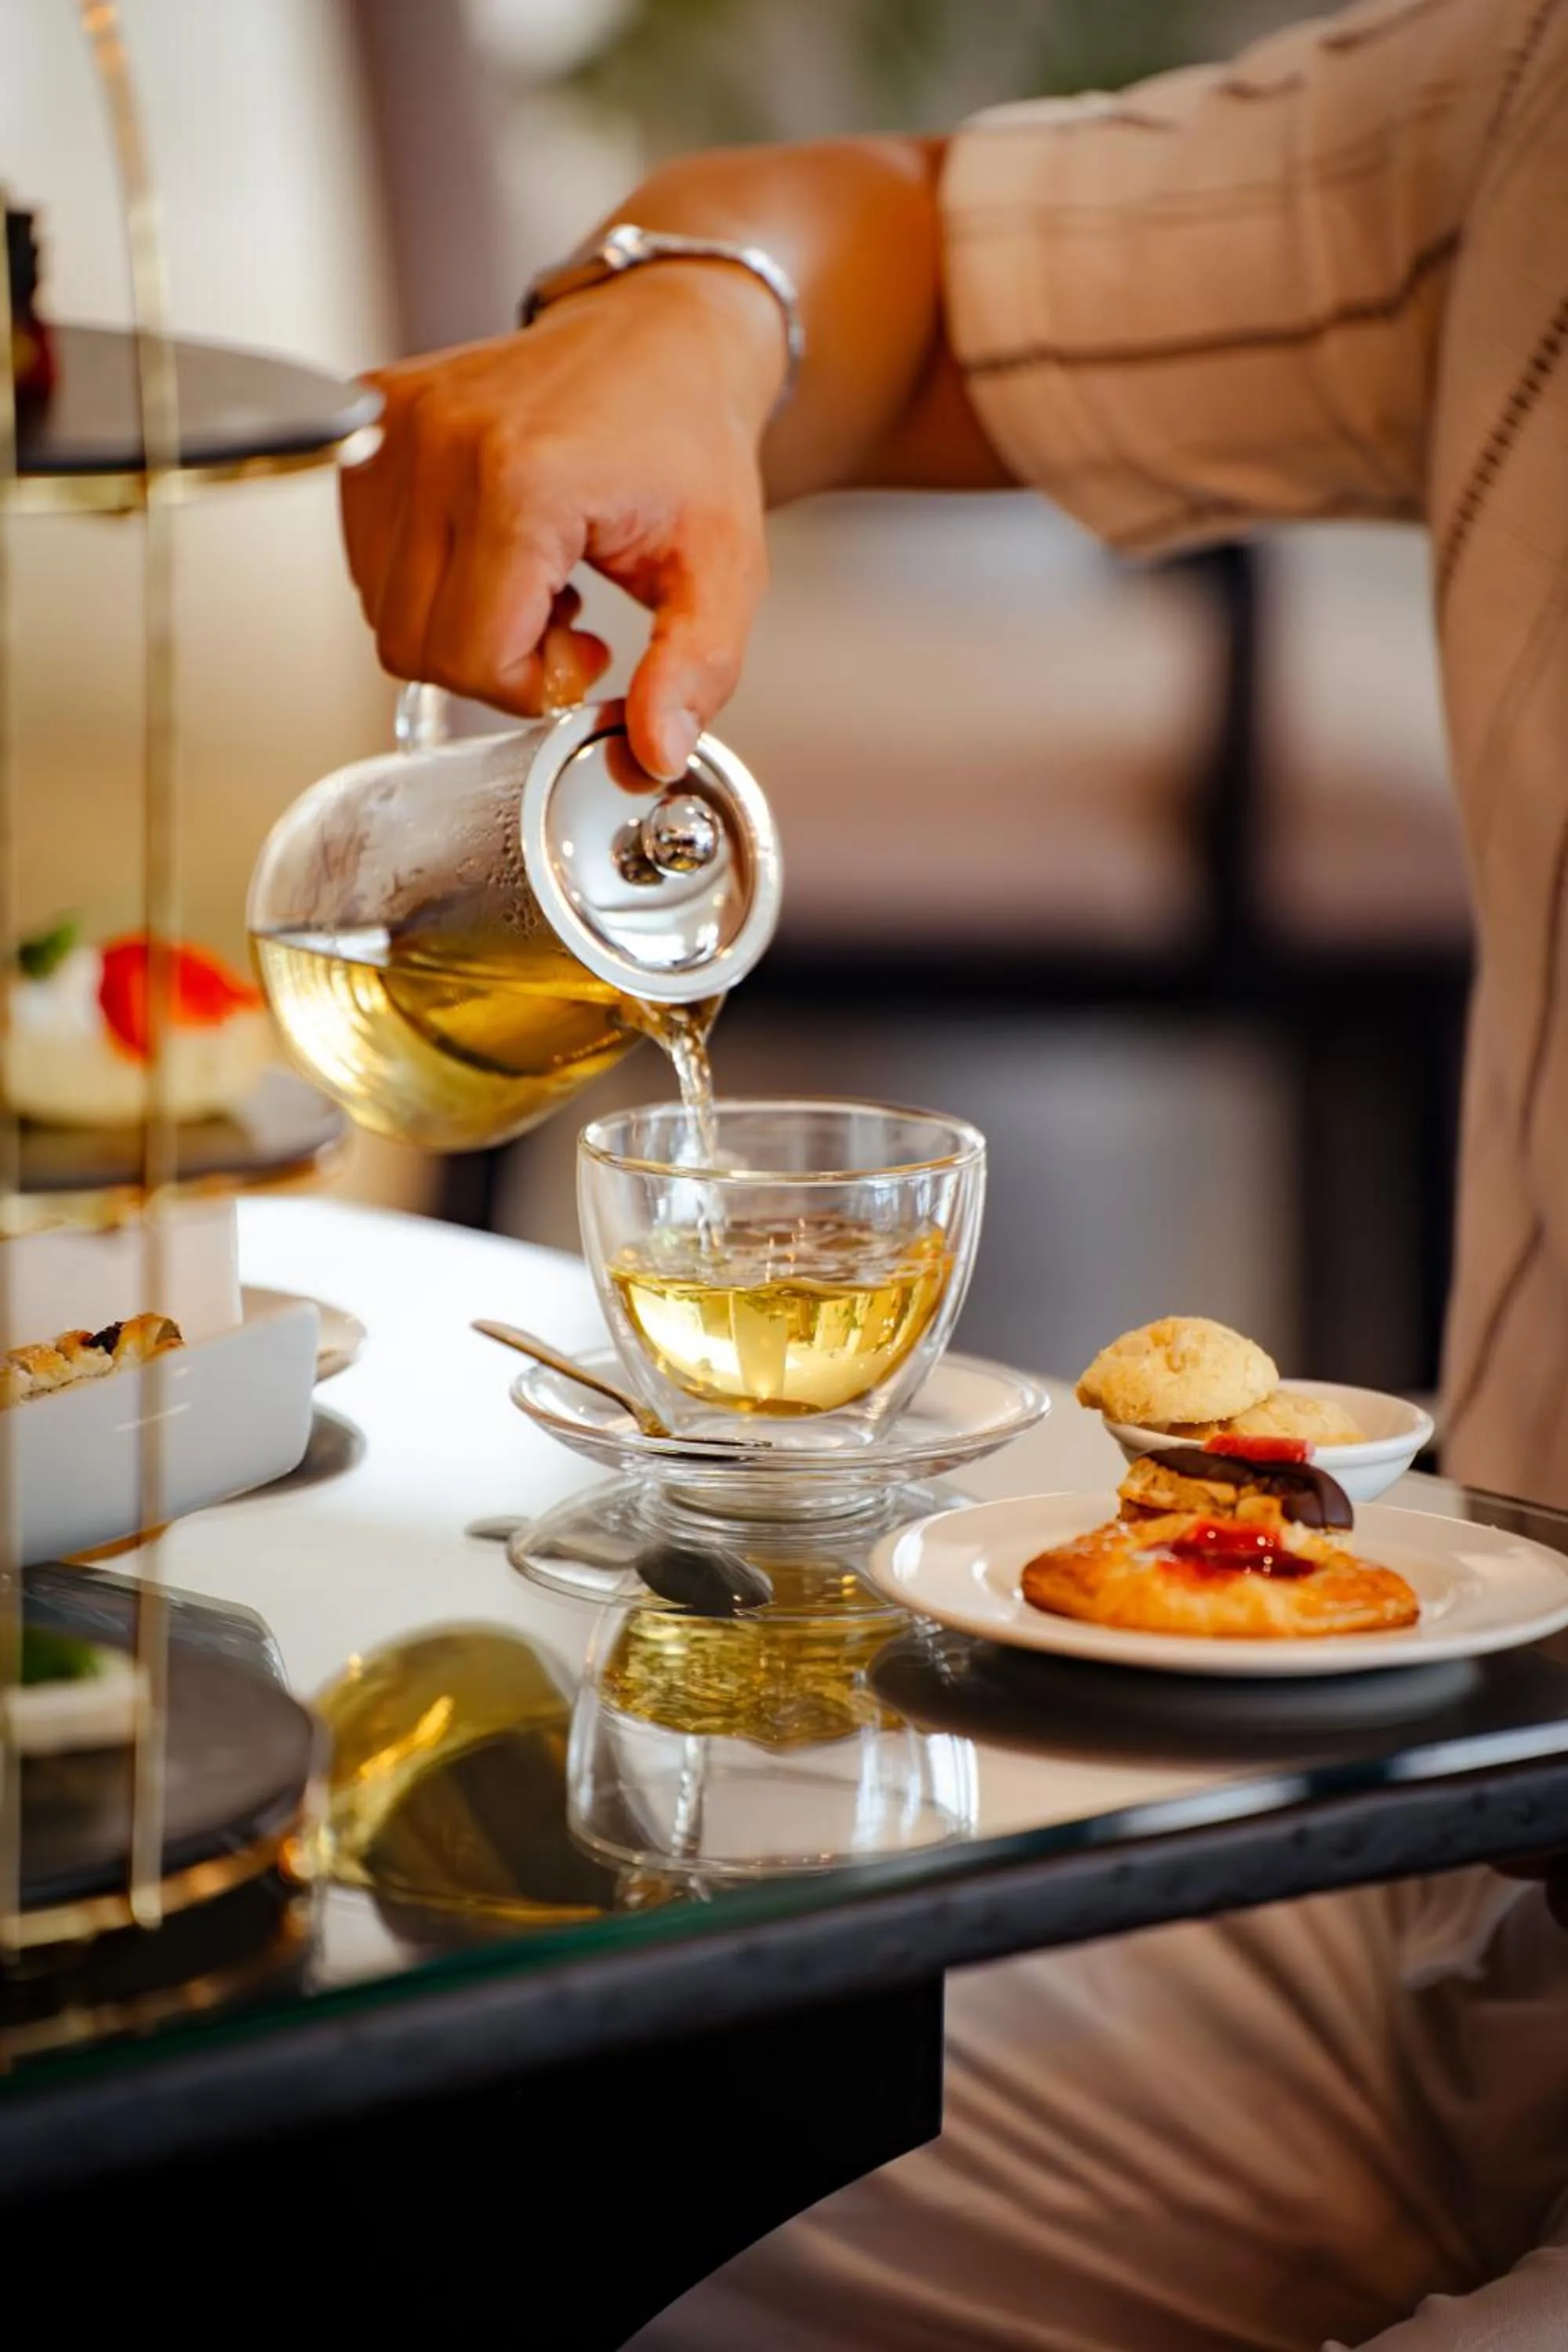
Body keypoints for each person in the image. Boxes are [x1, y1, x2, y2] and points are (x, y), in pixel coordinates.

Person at [341, 0, 1568, 2342]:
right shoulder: (1536, 106)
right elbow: (921, 259)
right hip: (1464, 1887)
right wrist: (688, 324)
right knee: (540, 2202)